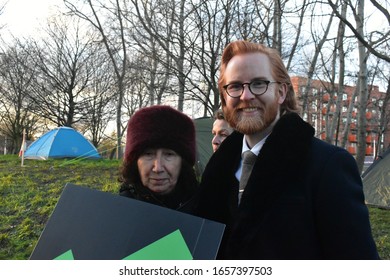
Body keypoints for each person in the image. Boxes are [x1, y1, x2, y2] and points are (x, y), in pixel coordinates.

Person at [196, 40, 379, 259]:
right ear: (225, 96)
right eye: (235, 86)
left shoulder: (328, 166)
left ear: (281, 92)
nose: (246, 96)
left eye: (258, 83)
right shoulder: (217, 171)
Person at [119, 105, 198, 214]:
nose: (158, 168)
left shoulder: (205, 209)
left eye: (169, 154)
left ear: (183, 162)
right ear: (135, 162)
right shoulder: (119, 211)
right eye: (148, 154)